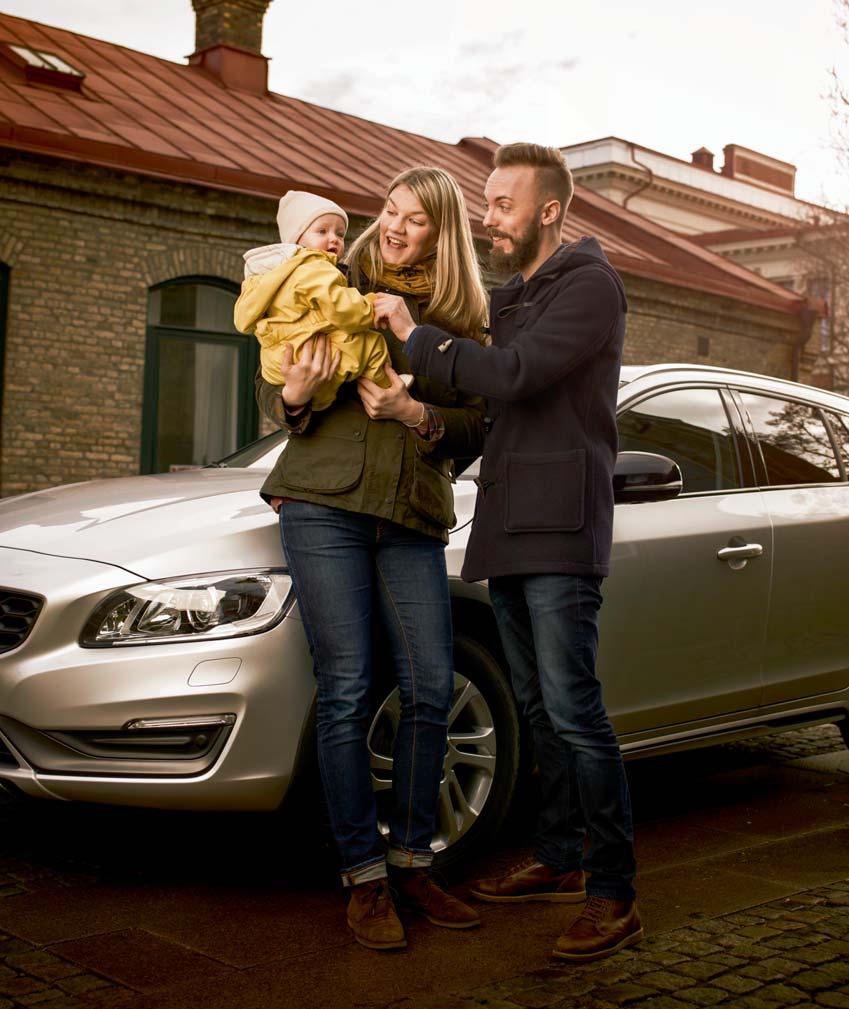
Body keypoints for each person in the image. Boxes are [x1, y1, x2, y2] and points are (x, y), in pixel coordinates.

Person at [372, 143, 642, 962]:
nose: (487, 218)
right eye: (485, 204)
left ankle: (612, 890)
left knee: (573, 709)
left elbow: (514, 373)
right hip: (509, 522)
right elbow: (483, 390)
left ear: (549, 211)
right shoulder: (516, 290)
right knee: (534, 706)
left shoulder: (589, 285)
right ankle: (560, 856)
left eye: (501, 205)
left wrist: (415, 338)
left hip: (561, 526)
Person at [255, 166, 489, 951]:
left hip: (413, 515)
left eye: (414, 219)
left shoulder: (461, 318)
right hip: (323, 506)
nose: (393, 227)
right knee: (348, 686)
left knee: (429, 683)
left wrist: (414, 410)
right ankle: (362, 874)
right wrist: (291, 395)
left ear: (441, 231)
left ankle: (413, 862)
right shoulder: (328, 274)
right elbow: (279, 384)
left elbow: (476, 427)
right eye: (388, 212)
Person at [234, 190, 393, 411]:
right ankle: (385, 388)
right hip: (305, 352)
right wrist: (371, 307)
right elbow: (343, 309)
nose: (334, 239)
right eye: (322, 231)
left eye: (340, 234)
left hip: (277, 361)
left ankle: (318, 399)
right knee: (371, 344)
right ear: (297, 240)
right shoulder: (314, 267)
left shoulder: (269, 277)